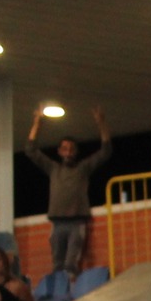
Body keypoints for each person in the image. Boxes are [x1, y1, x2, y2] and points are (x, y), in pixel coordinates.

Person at [27, 106, 114, 277]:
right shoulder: (53, 168)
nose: (68, 153)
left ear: (76, 152)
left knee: (71, 264)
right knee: (57, 264)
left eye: (71, 149)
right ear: (59, 151)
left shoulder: (83, 168)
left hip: (77, 222)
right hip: (57, 222)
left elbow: (106, 151)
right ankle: (59, 296)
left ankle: (72, 292)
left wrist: (101, 123)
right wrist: (37, 123)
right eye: (65, 149)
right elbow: (31, 151)